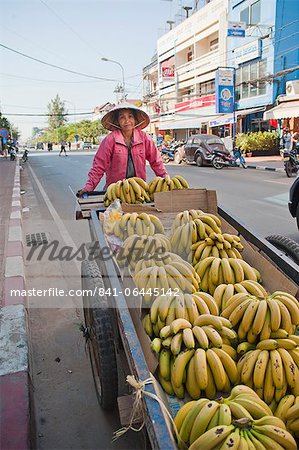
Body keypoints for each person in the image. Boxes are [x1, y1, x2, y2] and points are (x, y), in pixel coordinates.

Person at [77, 103, 168, 196]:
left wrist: (166, 179)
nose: (127, 121)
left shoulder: (144, 138)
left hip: (139, 190)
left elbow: (156, 161)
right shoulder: (110, 139)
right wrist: (88, 187)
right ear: (117, 121)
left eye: (130, 116)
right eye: (122, 117)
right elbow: (99, 166)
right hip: (115, 190)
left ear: (135, 120)